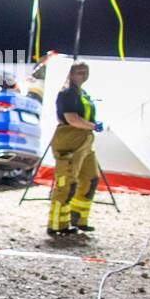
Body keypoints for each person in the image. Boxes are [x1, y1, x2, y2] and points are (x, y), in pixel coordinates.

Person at [48, 61, 103, 236]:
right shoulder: (67, 93)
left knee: (90, 179)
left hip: (85, 141)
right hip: (70, 139)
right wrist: (92, 125)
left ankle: (78, 218)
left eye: (85, 71)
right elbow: (71, 118)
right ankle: (57, 224)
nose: (83, 75)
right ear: (70, 74)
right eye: (79, 72)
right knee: (67, 183)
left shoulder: (83, 93)